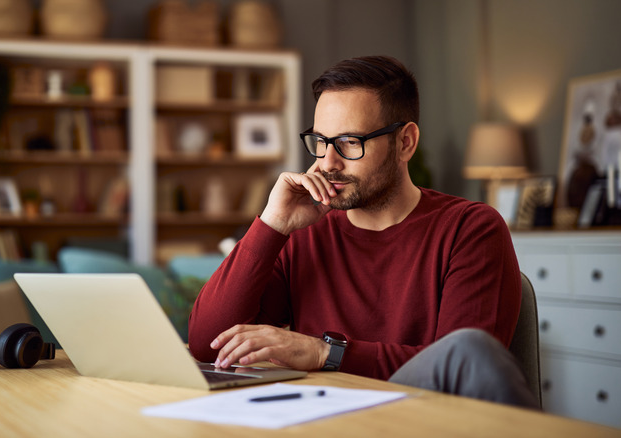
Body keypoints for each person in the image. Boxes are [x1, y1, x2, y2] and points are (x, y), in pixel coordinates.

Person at [188, 55, 538, 408]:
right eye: (321, 141)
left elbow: (465, 370)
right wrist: (271, 225)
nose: (327, 163)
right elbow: (207, 346)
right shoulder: (304, 234)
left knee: (469, 349)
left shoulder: (470, 229)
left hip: (422, 418)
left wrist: (327, 353)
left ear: (405, 142)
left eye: (350, 142)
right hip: (324, 423)